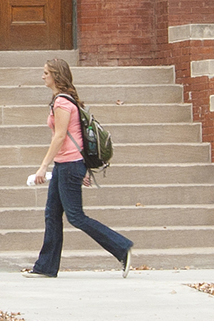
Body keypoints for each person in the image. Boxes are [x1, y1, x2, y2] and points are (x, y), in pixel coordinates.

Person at [23, 59, 132, 277]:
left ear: (55, 75)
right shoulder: (63, 100)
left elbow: (61, 136)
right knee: (52, 215)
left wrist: (43, 167)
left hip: (69, 165)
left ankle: (121, 247)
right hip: (68, 165)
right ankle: (45, 267)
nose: (42, 76)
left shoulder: (62, 103)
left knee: (75, 216)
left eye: (45, 73)